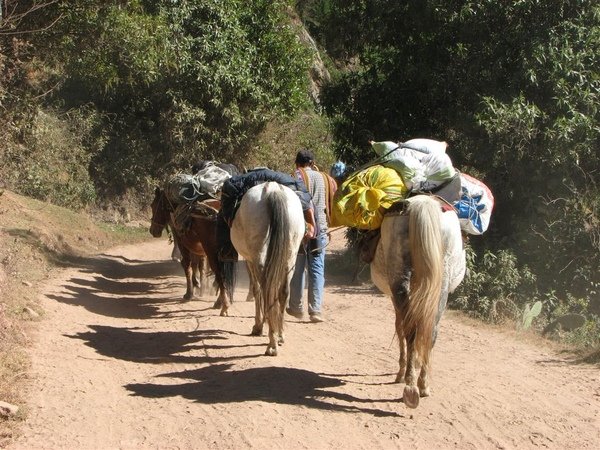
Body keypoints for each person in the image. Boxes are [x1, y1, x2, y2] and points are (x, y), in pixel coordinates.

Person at [216, 167, 316, 262]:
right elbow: (306, 199)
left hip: (247, 183)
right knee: (303, 200)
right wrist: (311, 223)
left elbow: (227, 196)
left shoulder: (242, 179)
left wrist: (229, 217)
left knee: (222, 213)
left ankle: (227, 249)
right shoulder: (286, 178)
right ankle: (308, 243)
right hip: (285, 182)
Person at [287, 149, 330, 323]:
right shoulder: (323, 178)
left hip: (302, 228)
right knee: (317, 269)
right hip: (321, 228)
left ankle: (296, 307)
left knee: (298, 267)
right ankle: (315, 310)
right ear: (312, 163)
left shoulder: (295, 176)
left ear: (297, 163)